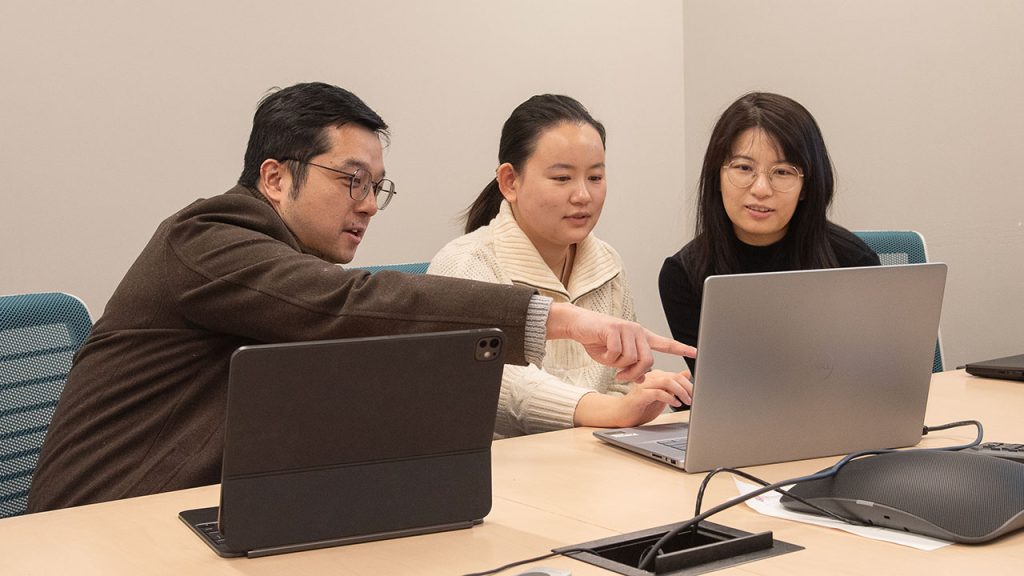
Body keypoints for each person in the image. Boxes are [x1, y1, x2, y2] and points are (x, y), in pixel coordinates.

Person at [27, 83, 695, 512]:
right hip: (96, 524)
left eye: (378, 185)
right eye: (351, 181)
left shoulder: (285, 258)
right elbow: (340, 304)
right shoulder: (207, 237)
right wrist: (557, 318)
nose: (370, 204)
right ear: (274, 177)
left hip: (208, 515)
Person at [429, 95, 693, 438]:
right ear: (510, 181)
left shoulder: (607, 263)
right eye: (562, 178)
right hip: (504, 471)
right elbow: (504, 389)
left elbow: (621, 387)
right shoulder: (464, 265)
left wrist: (646, 394)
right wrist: (614, 410)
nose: (583, 195)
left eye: (595, 177)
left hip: (591, 462)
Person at [659, 92, 879, 372]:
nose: (761, 188)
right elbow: (721, 389)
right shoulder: (684, 277)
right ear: (717, 176)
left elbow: (872, 375)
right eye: (743, 167)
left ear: (807, 186)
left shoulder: (854, 263)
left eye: (783, 172)